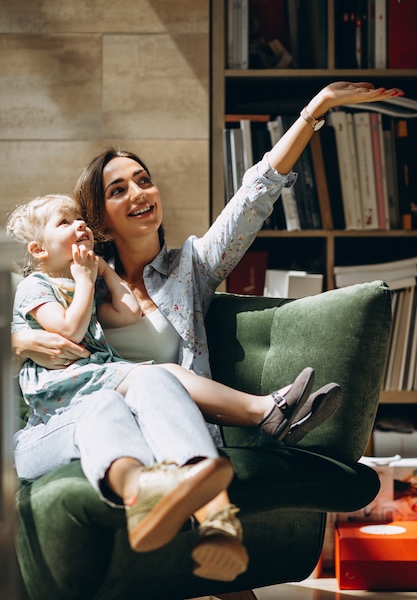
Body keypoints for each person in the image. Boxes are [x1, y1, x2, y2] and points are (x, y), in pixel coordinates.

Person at [11, 81, 404, 577]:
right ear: (97, 220)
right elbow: (31, 312)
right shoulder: (76, 284)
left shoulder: (189, 268)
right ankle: (240, 446)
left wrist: (312, 113)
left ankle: (216, 520)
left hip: (175, 433)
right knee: (120, 391)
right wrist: (18, 340)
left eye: (143, 180)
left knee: (153, 377)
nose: (139, 193)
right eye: (118, 189)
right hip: (98, 428)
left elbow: (253, 198)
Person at [7, 193, 339, 582]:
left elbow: (126, 311)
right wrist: (82, 281)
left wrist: (104, 274)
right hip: (47, 426)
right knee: (106, 403)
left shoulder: (89, 286)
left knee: (154, 377)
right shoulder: (35, 286)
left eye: (81, 218)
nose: (79, 225)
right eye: (65, 222)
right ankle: (147, 493)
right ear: (38, 249)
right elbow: (69, 330)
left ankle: (217, 522)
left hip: (96, 391)